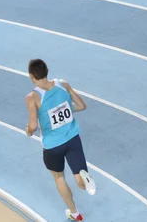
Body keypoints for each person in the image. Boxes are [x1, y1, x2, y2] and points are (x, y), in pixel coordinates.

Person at [25, 59, 96, 222]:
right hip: (72, 139)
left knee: (59, 178)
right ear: (47, 70)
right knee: (78, 177)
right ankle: (85, 178)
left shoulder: (32, 97)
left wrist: (28, 130)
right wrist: (67, 111)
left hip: (52, 146)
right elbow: (82, 105)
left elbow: (34, 125)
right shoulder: (63, 84)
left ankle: (75, 213)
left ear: (31, 76)